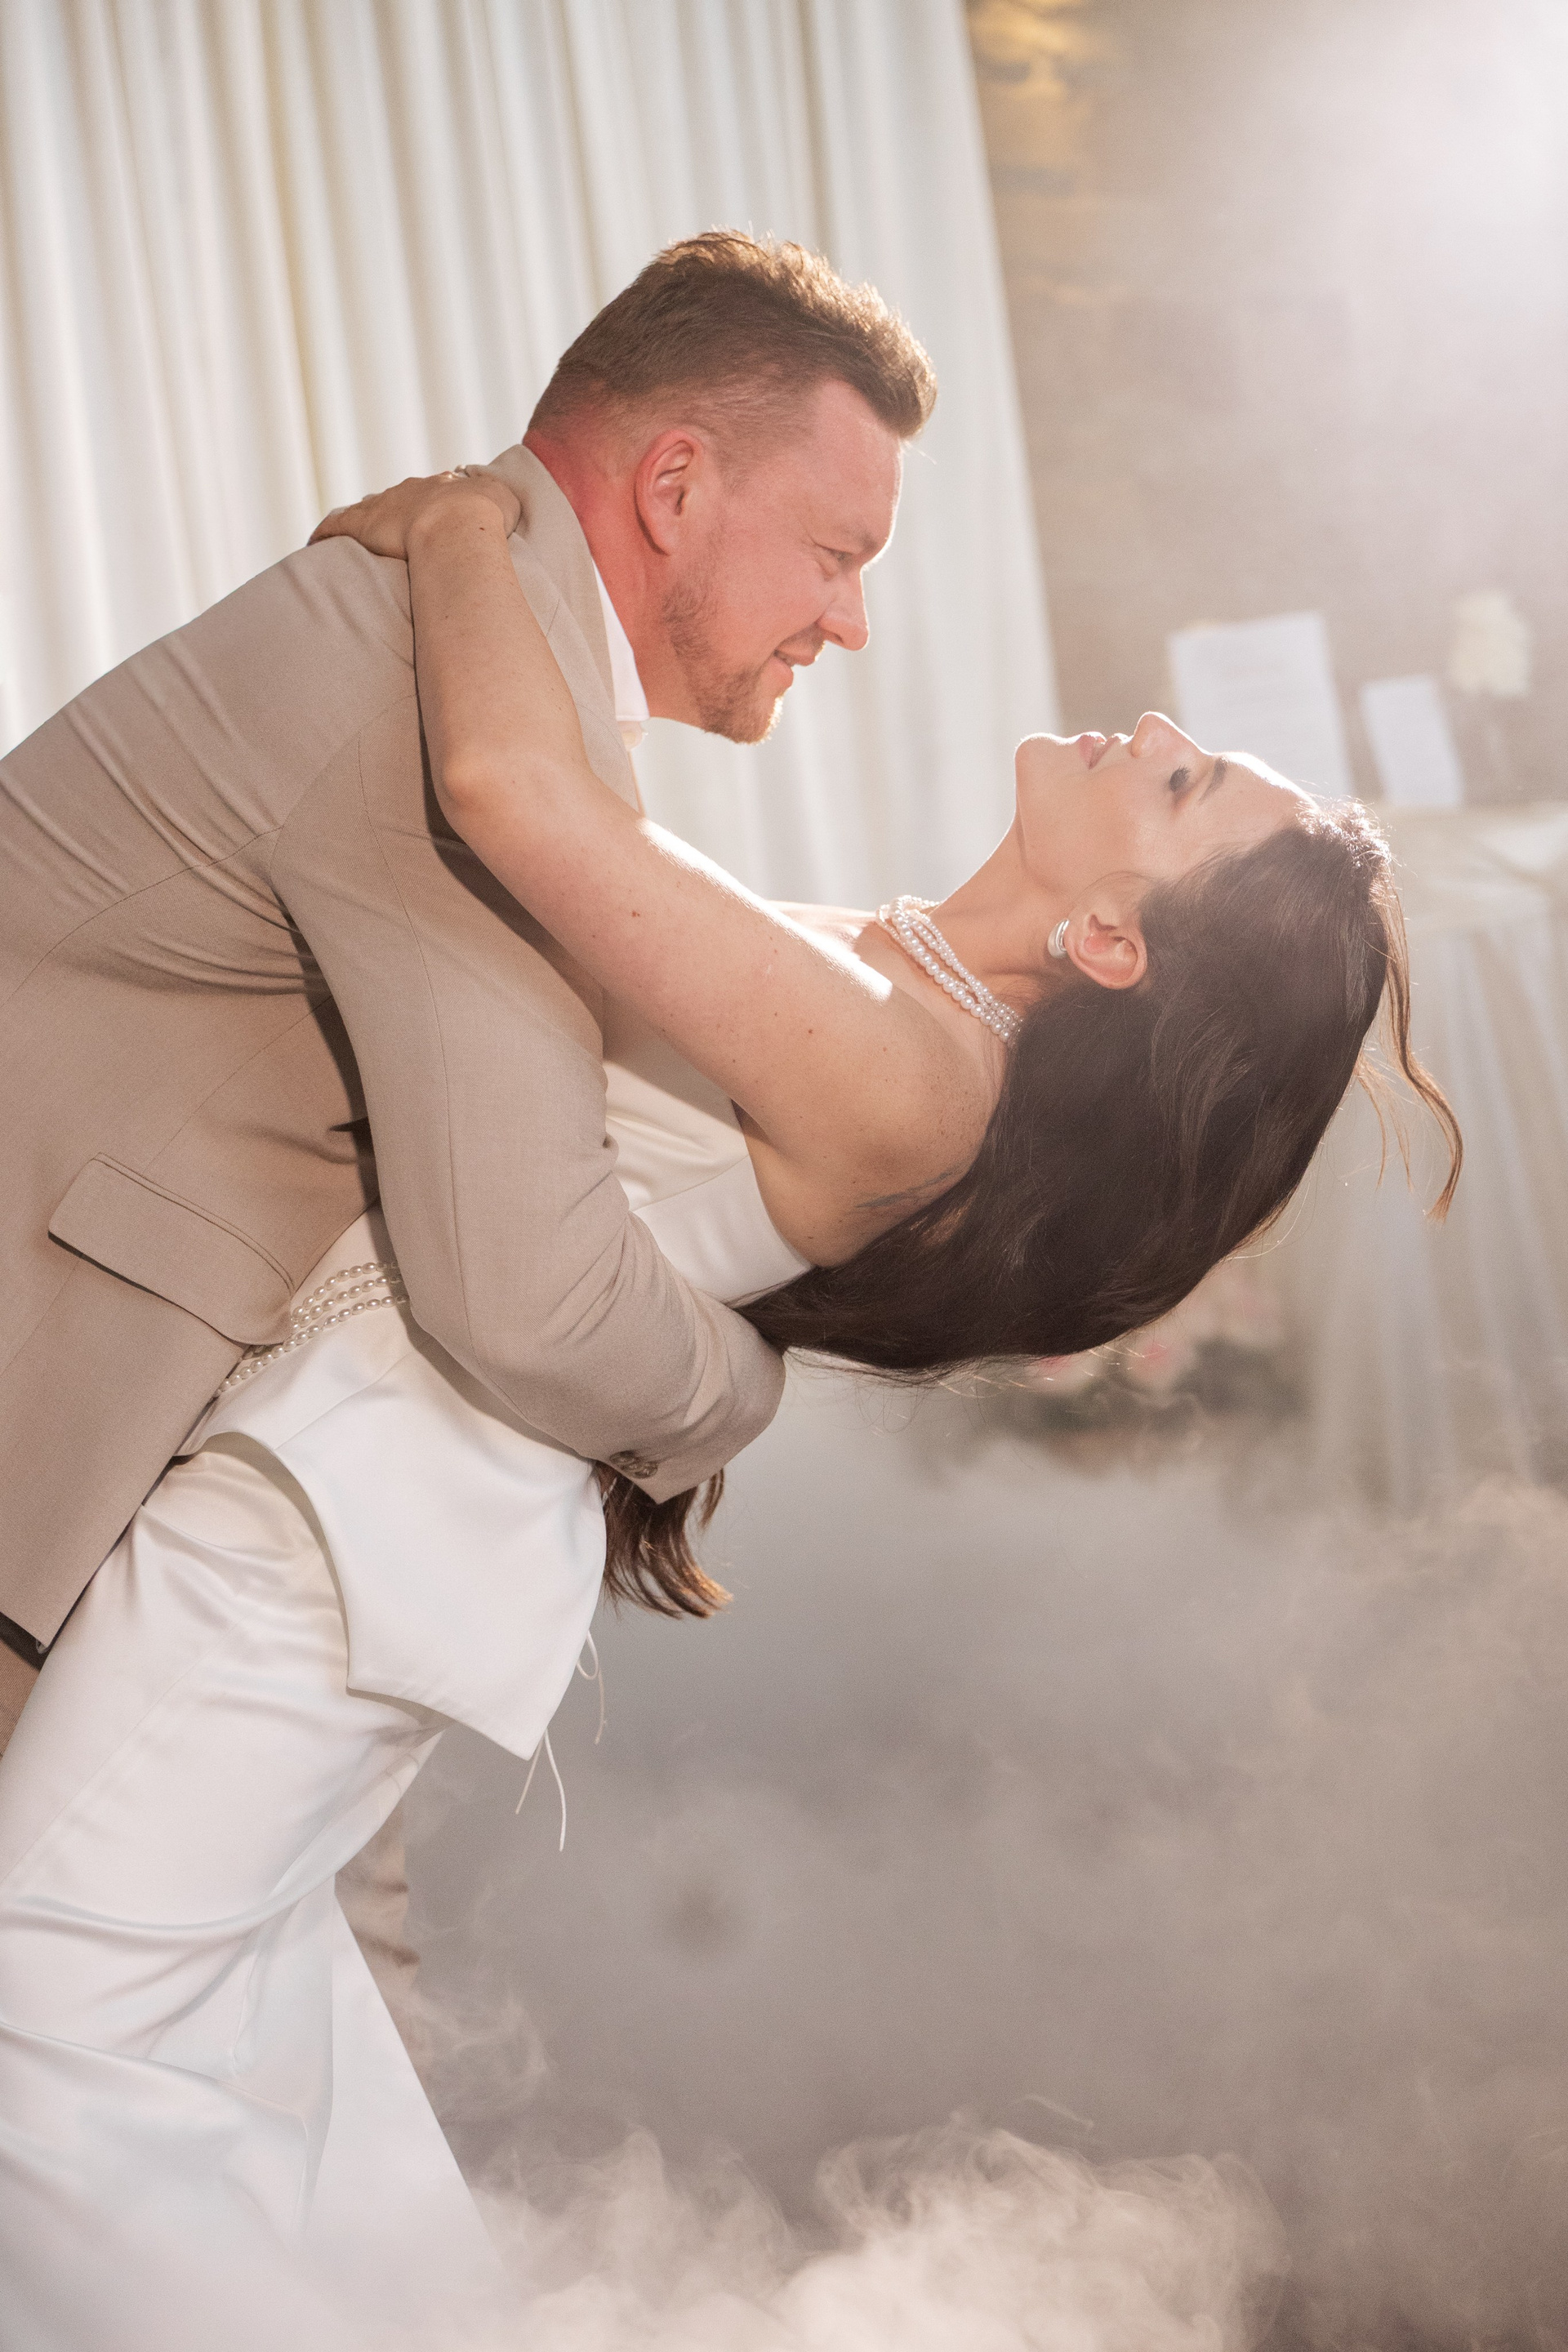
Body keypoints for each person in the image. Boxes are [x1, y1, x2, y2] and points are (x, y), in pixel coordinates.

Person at [0, 455, 1459, 2345]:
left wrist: (464, 522)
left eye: (1184, 790)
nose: (1156, 733)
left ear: (1115, 942)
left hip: (331, 1539)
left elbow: (516, 793)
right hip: (351, 1510)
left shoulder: (904, 1063)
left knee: (43, 2018)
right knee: (257, 2055)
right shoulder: (888, 991)